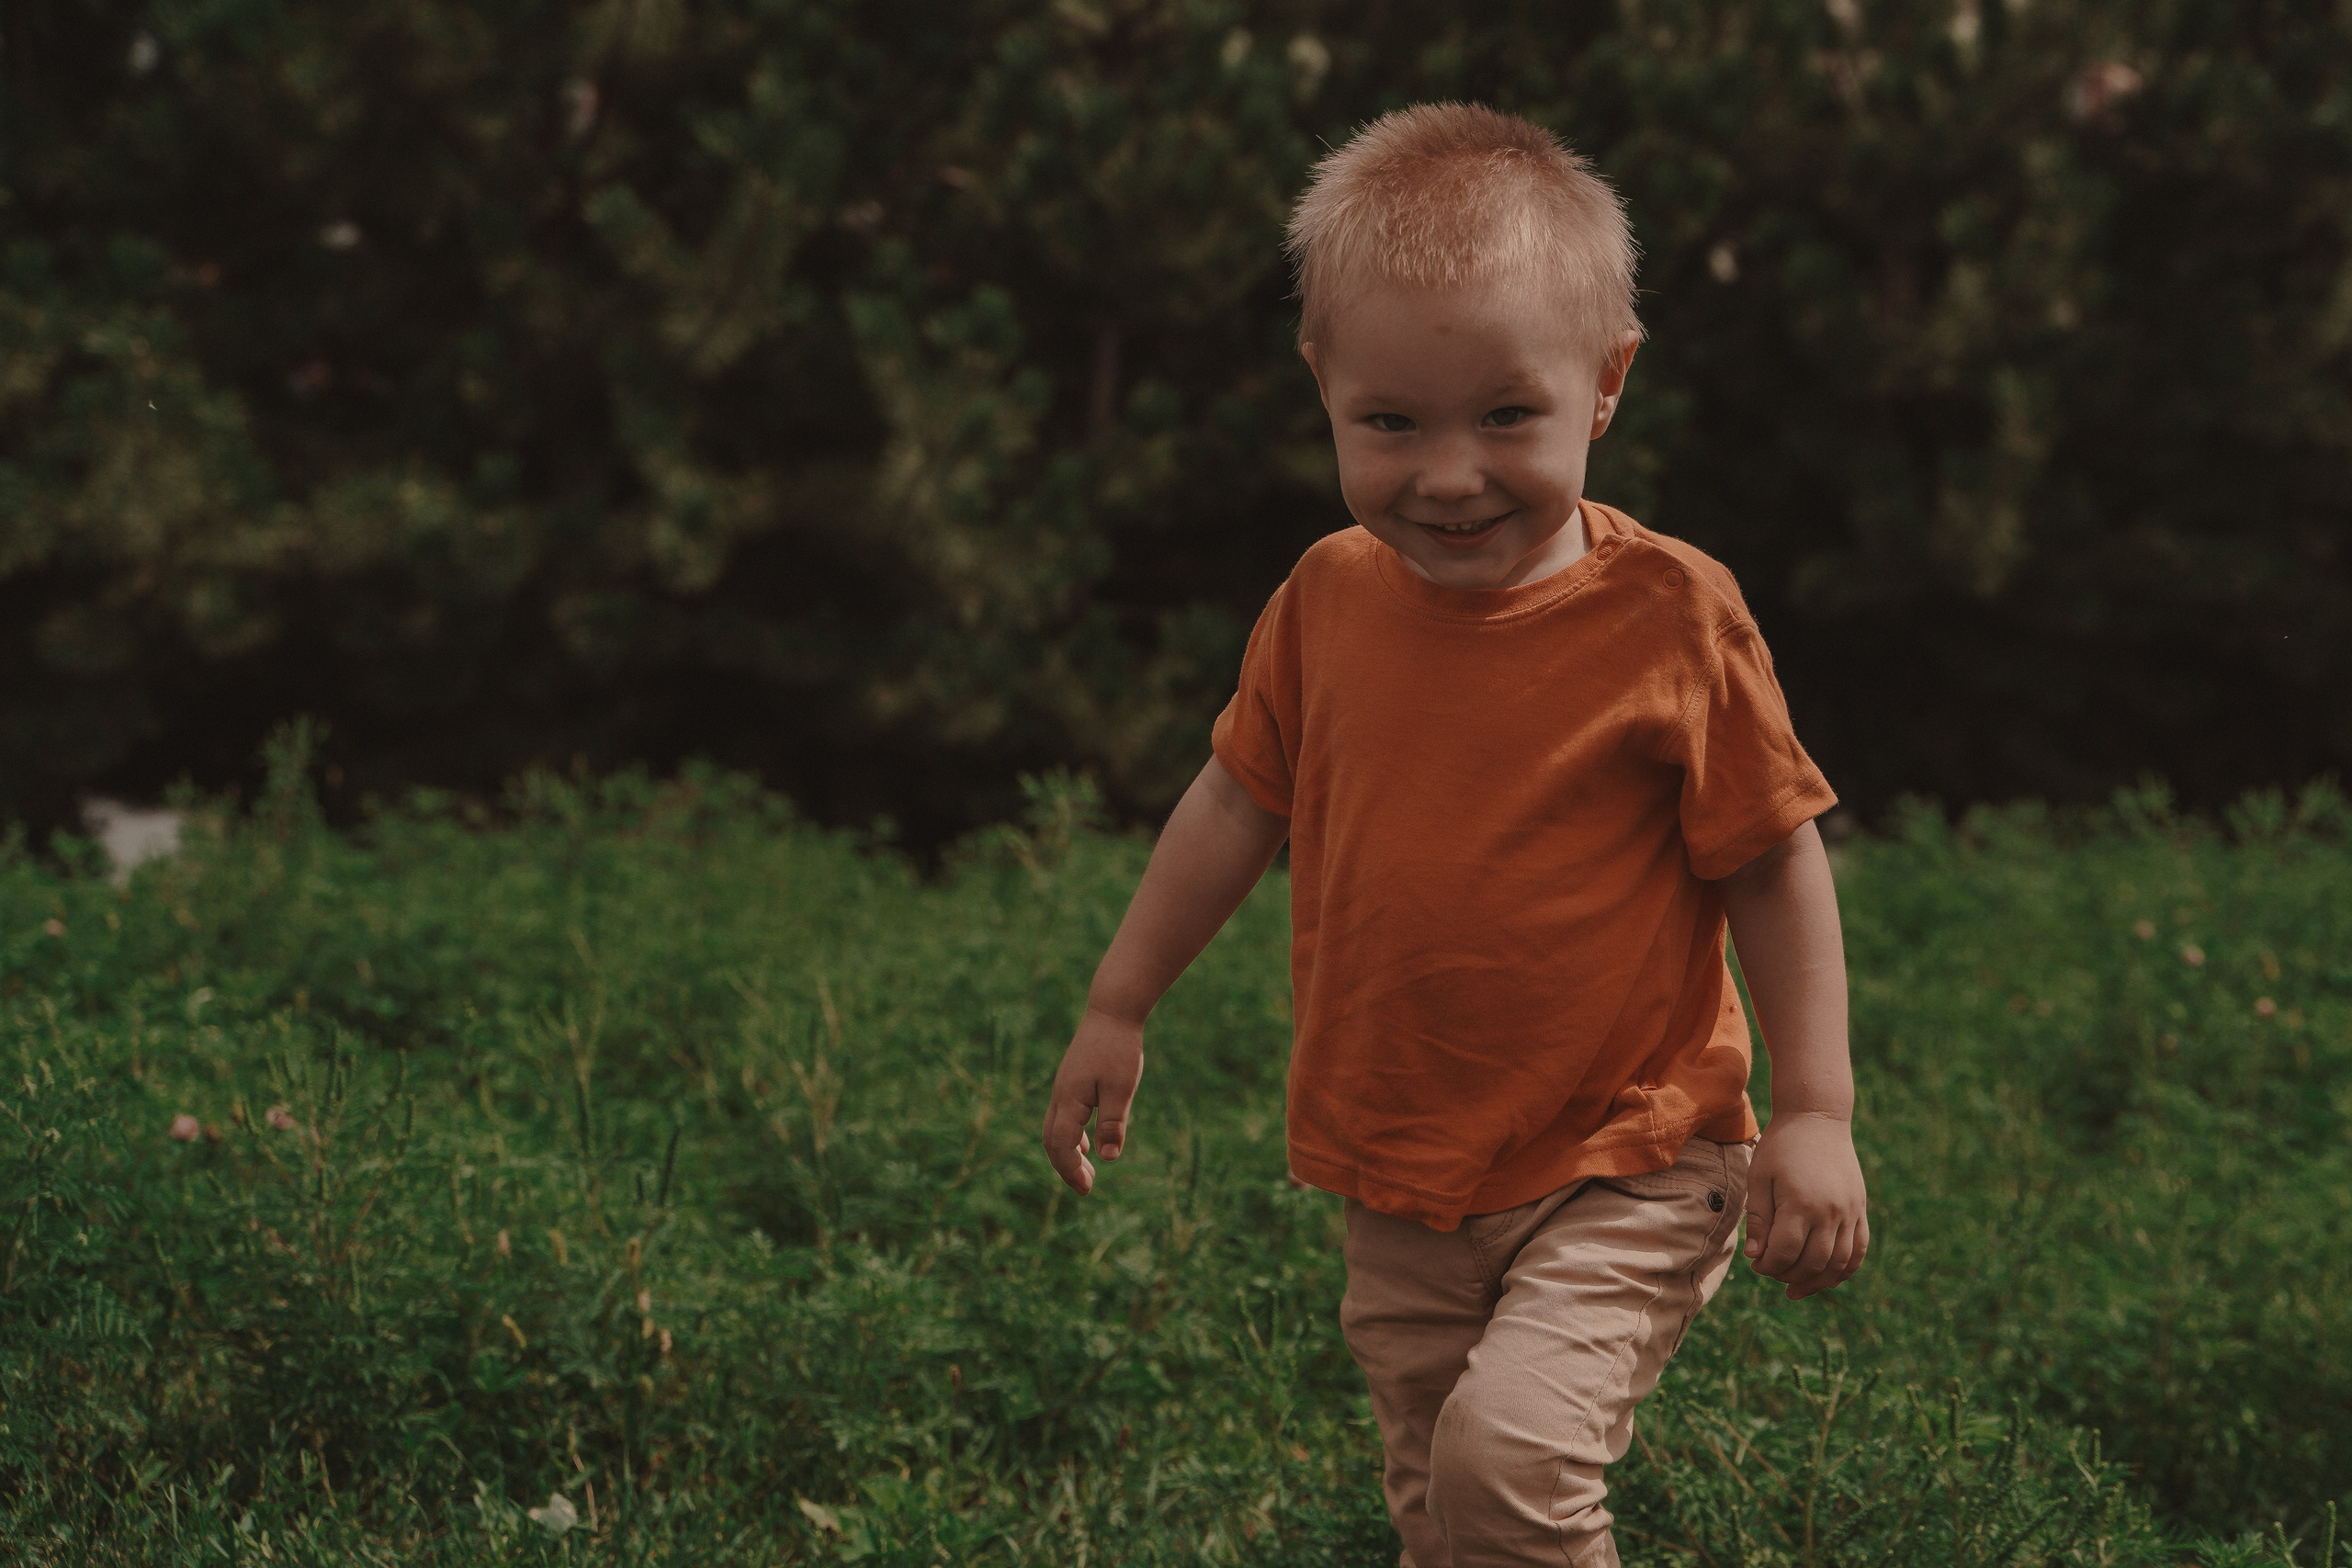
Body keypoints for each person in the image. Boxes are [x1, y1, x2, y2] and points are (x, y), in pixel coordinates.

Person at [1039, 101, 1869, 1568]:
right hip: (1402, 1165)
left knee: (1511, 1462)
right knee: (1446, 1520)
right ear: (1325, 392)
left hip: (1632, 1151)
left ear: (1604, 387)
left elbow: (1770, 854)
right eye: (1391, 424)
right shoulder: (1326, 598)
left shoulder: (1669, 613)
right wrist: (1120, 1000)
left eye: (1506, 415)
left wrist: (1814, 1114)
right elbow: (1238, 797)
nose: (1448, 474)